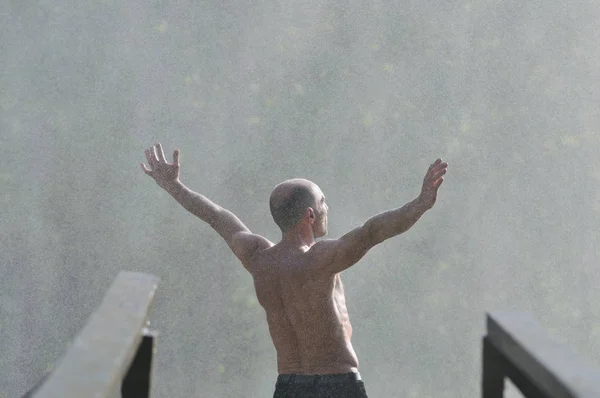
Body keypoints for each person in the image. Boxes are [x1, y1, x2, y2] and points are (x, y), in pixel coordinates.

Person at [141, 143, 448, 398]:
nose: (328, 208)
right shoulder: (319, 259)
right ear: (310, 214)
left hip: (289, 386)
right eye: (324, 202)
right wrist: (420, 204)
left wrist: (174, 186)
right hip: (336, 384)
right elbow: (372, 232)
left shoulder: (258, 258)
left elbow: (215, 216)